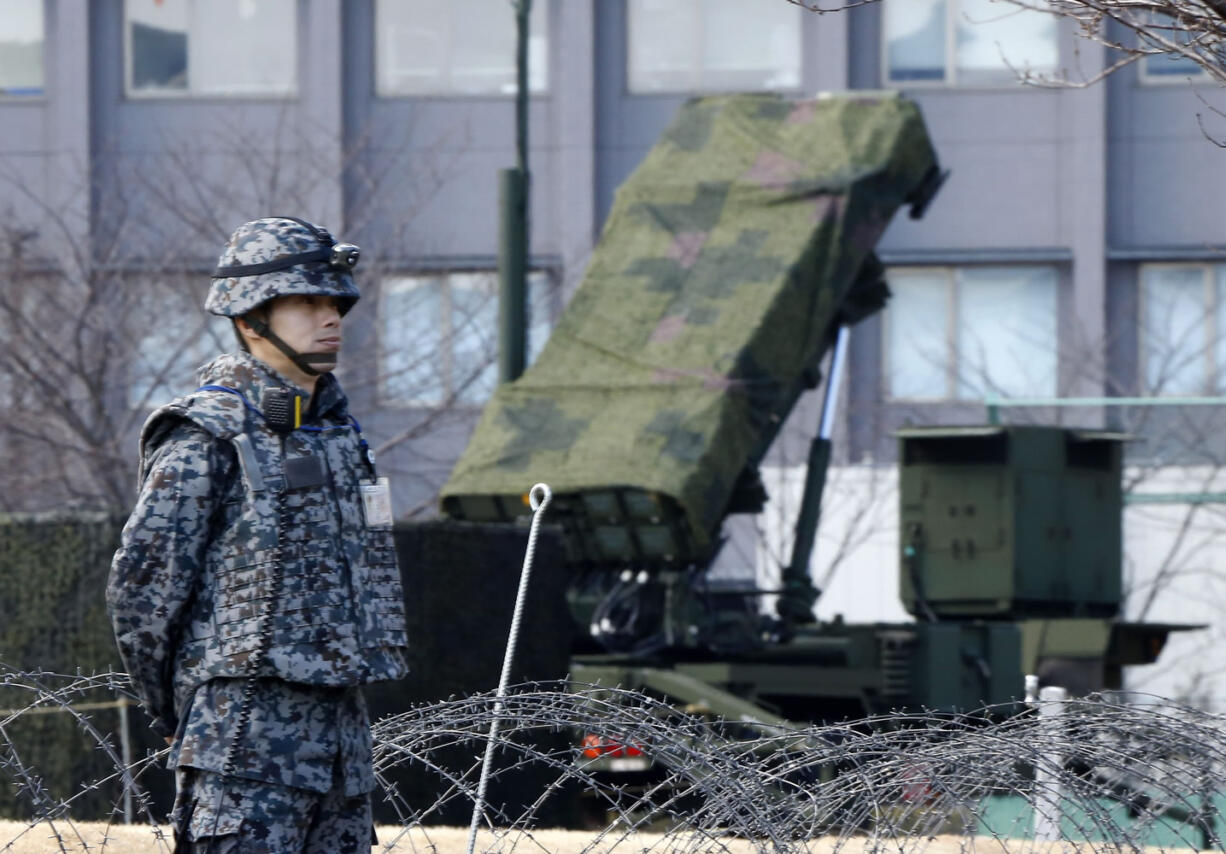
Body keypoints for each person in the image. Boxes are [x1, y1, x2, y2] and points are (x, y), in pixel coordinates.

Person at [107, 216, 409, 853]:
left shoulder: (339, 436)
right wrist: (175, 711)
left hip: (340, 753)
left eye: (334, 303)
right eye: (305, 303)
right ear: (250, 318)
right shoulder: (205, 434)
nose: (329, 319)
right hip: (243, 744)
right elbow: (143, 592)